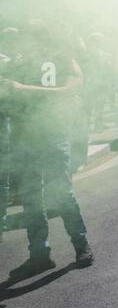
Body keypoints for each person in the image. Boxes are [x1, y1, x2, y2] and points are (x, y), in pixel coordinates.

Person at [0, 23, 93, 280]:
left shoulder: (62, 60)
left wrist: (23, 89)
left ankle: (81, 245)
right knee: (31, 198)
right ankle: (39, 255)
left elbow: (70, 90)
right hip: (23, 139)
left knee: (61, 192)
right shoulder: (17, 63)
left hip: (51, 136)